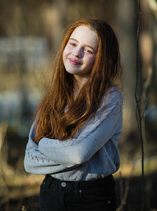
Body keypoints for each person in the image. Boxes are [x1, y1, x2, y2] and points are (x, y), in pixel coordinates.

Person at [24, 19, 123, 211]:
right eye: (73, 43)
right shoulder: (53, 96)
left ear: (102, 59)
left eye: (88, 50)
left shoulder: (110, 99)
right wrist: (66, 153)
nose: (76, 53)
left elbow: (78, 154)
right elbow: (29, 161)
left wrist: (43, 144)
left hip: (90, 197)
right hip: (50, 192)